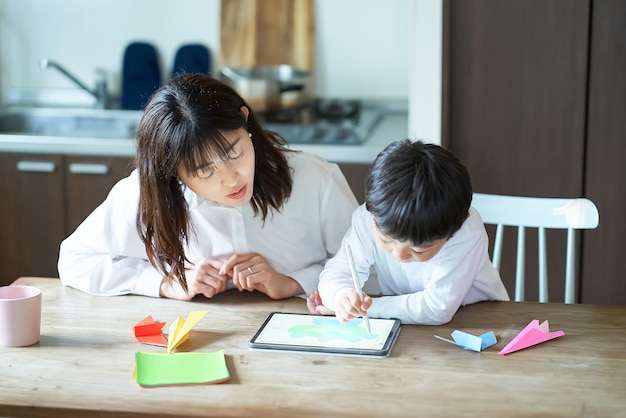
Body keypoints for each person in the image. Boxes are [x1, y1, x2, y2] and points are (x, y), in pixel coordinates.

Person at [58, 73, 358, 301]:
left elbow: (372, 271)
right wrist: (164, 282)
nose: (231, 179)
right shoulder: (143, 194)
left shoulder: (315, 179)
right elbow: (74, 260)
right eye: (203, 170)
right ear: (172, 173)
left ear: (245, 121)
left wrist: (293, 282)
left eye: (233, 152)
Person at [307, 139, 509, 325]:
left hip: (480, 321)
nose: (399, 255)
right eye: (386, 240)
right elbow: (338, 272)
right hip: (408, 323)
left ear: (455, 227)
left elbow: (436, 308)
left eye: (419, 250)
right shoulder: (368, 218)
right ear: (372, 212)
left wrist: (368, 309)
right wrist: (341, 297)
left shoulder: (466, 234)